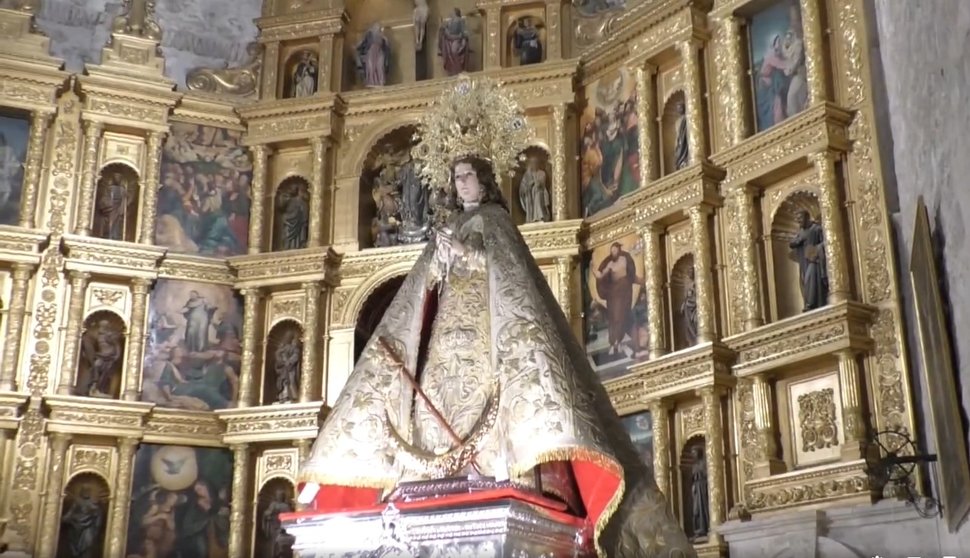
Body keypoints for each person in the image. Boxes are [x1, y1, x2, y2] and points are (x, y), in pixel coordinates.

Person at [298, 76, 694, 558]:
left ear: (484, 178)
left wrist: (463, 257)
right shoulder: (453, 225)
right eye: (457, 176)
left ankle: (499, 469)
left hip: (488, 342)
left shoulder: (496, 223)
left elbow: (504, 278)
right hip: (446, 343)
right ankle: (435, 475)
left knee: (489, 402)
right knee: (434, 404)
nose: (462, 183)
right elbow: (424, 295)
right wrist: (439, 265)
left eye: (469, 175)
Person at [789, 209, 828, 311]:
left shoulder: (816, 229)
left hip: (815, 261)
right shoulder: (801, 232)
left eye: (800, 218)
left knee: (811, 279)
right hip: (804, 262)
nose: (799, 221)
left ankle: (811, 303)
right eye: (797, 219)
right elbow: (792, 243)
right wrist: (799, 241)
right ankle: (808, 303)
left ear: (806, 217)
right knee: (805, 281)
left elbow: (826, 242)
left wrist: (817, 249)